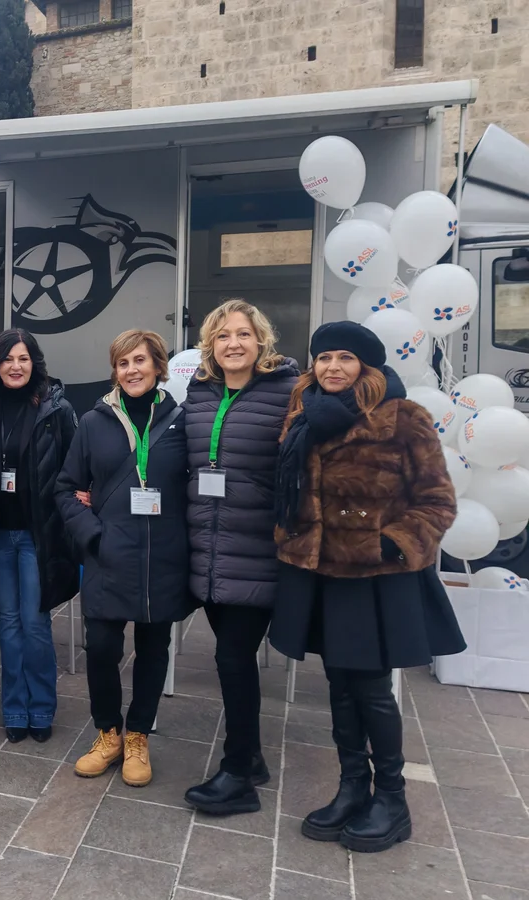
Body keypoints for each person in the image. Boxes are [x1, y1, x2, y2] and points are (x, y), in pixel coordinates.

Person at [270, 321, 465, 853]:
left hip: (374, 577)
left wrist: (390, 544)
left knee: (373, 691)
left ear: (367, 367)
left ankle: (392, 799)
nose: (333, 367)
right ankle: (352, 785)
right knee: (338, 685)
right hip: (320, 573)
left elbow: (437, 502)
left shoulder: (403, 419)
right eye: (324, 357)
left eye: (345, 358)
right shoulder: (302, 413)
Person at [56, 330, 196, 786]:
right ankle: (108, 733)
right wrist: (92, 536)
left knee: (154, 651)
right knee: (101, 649)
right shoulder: (94, 423)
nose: (131, 371)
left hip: (162, 558)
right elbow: (65, 487)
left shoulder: (182, 421)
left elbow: (195, 487)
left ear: (159, 366)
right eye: (122, 364)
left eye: (140, 361)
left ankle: (138, 735)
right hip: (108, 556)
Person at [181, 299, 301, 815]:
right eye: (223, 335)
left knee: (232, 658)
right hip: (207, 550)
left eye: (243, 334)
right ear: (211, 344)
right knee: (233, 660)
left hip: (257, 551)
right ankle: (250, 758)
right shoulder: (199, 392)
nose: (233, 343)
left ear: (261, 341)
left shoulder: (288, 392)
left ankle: (237, 775)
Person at [0, 329, 78, 743]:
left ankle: (42, 706)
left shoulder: (56, 409)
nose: (16, 366)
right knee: (8, 622)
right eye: (8, 359)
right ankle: (14, 707)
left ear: (35, 364)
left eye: (24, 359)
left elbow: (73, 470)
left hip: (37, 536)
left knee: (35, 623)